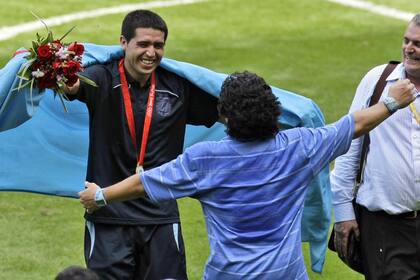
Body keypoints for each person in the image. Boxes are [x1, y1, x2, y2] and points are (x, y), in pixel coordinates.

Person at [79, 71, 414, 279]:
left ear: (225, 116)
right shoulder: (300, 147)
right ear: (273, 108)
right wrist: (392, 101)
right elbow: (356, 124)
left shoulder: (205, 160)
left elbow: (143, 182)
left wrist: (100, 195)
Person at [64, 9, 219, 279]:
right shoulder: (102, 78)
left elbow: (229, 109)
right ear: (123, 43)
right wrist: (63, 74)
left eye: (158, 45)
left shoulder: (177, 87)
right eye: (143, 44)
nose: (151, 53)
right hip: (108, 216)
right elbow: (74, 86)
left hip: (160, 217)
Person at [331, 14, 420, 280]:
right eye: (406, 41)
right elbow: (349, 147)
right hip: (386, 227)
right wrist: (343, 214)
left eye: (417, 43)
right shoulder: (377, 81)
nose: (409, 48)